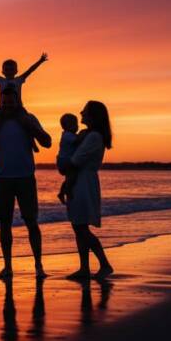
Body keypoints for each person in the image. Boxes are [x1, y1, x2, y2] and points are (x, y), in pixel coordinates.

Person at [0, 88, 52, 279]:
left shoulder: (29, 118)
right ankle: (8, 267)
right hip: (2, 179)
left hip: (25, 177)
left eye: (11, 102)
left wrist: (29, 125)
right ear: (0, 103)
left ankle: (39, 266)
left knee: (31, 222)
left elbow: (47, 142)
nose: (8, 105)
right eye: (5, 103)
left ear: (18, 102)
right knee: (4, 223)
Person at [65, 100, 114, 280]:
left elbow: (76, 160)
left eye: (84, 111)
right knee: (79, 226)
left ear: (93, 116)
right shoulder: (89, 135)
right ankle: (84, 267)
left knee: (80, 227)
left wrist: (64, 165)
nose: (81, 113)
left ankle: (105, 264)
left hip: (83, 181)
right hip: (81, 179)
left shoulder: (93, 137)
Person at [0, 52, 49, 155]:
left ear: (16, 71)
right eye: (7, 69)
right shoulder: (0, 80)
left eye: (12, 69)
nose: (9, 71)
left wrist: (40, 61)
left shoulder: (19, 80)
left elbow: (30, 70)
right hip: (2, 109)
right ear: (3, 71)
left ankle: (33, 143)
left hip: (18, 108)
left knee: (27, 123)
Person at [56, 113, 83, 204]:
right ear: (66, 126)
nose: (77, 127)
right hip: (65, 160)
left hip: (64, 160)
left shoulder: (69, 135)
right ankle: (68, 190)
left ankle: (62, 192)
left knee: (70, 177)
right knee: (73, 176)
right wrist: (84, 135)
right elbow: (77, 141)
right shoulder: (67, 135)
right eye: (74, 124)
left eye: (77, 124)